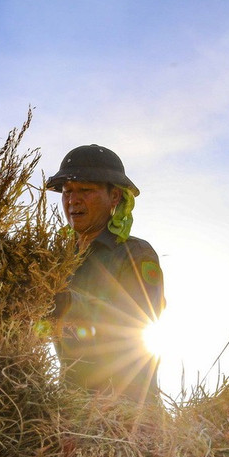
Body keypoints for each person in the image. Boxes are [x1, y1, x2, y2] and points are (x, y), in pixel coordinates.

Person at [46, 144, 165, 404]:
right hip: (71, 405)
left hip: (127, 408)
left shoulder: (136, 254)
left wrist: (69, 303)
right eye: (67, 192)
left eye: (86, 190)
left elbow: (137, 320)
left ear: (115, 198)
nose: (73, 200)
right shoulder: (57, 261)